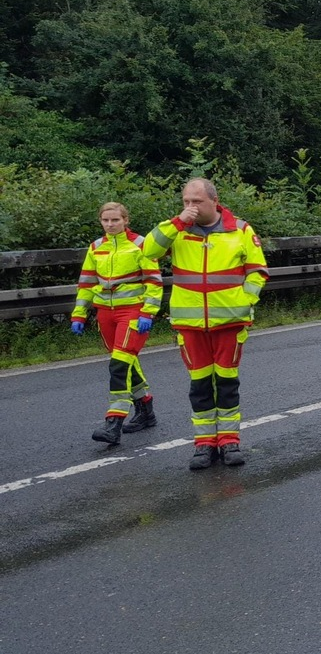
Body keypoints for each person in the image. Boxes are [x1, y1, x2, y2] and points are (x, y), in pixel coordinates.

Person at [142, 178, 269, 469]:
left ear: (214, 200)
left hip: (229, 323)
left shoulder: (240, 229)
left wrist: (245, 302)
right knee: (199, 385)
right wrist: (177, 222)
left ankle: (229, 441)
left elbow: (257, 271)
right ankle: (203, 444)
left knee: (226, 383)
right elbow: (148, 250)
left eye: (196, 202)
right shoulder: (177, 230)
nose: (191, 207)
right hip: (190, 324)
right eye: (186, 201)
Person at [71, 202, 163, 445]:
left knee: (118, 366)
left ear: (125, 220)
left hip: (132, 312)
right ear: (101, 221)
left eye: (115, 220)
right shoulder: (96, 247)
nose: (110, 225)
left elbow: (154, 281)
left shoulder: (141, 244)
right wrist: (79, 314)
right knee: (125, 363)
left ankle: (113, 423)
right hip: (105, 314)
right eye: (105, 221)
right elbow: (87, 284)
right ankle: (146, 410)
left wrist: (148, 312)